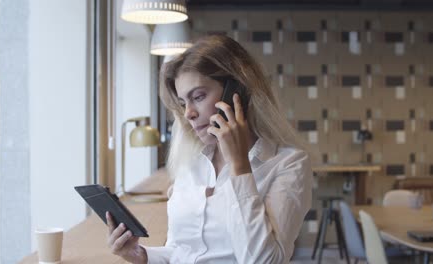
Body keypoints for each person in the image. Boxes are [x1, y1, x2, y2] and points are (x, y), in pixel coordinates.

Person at [106, 35, 313, 263]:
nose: (188, 114)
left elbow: (265, 260)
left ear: (237, 92)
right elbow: (180, 250)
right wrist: (142, 256)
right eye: (184, 103)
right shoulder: (191, 164)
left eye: (198, 96)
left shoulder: (289, 164)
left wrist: (239, 166)